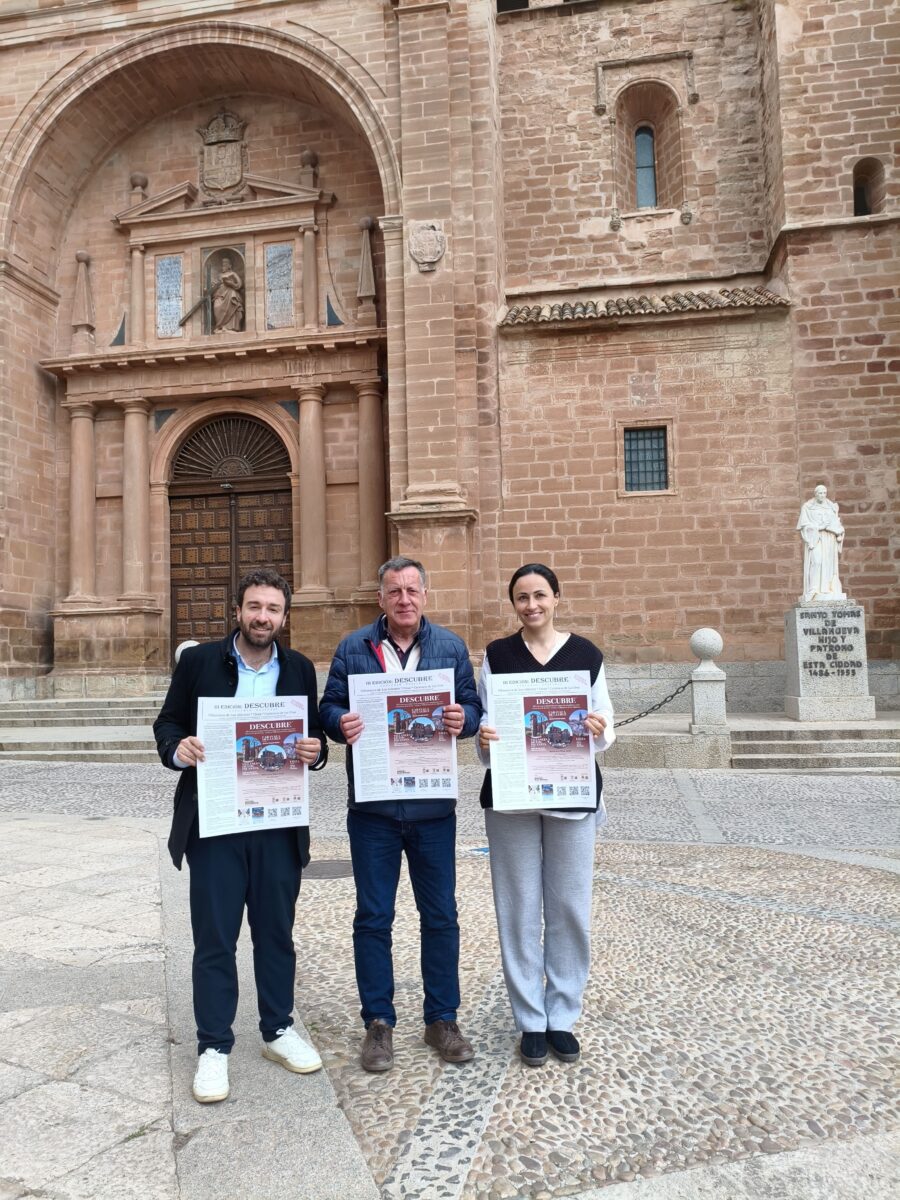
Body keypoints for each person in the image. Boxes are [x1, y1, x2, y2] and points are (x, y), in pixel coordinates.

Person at [153, 567, 327, 1103]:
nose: (262, 617)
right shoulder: (199, 662)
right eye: (254, 607)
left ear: (284, 616)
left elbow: (313, 734)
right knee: (214, 938)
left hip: (276, 823)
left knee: (276, 932)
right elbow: (167, 724)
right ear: (237, 610)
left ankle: (276, 1029)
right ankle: (213, 1046)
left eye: (272, 609)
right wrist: (177, 750)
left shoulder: (298, 668)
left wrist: (315, 751)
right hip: (215, 823)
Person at [320, 556, 482, 1072]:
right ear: (381, 599)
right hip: (373, 809)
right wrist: (337, 722)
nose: (405, 599)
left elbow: (473, 708)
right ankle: (378, 1023)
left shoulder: (450, 647)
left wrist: (464, 719)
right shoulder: (353, 647)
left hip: (433, 808)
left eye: (413, 590)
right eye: (395, 591)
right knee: (374, 917)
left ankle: (442, 1019)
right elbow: (328, 707)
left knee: (441, 916)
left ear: (425, 596)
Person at [476, 564, 615, 1067]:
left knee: (569, 907)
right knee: (516, 907)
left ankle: (563, 1014)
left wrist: (598, 728)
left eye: (539, 595)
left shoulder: (585, 655)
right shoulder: (496, 655)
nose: (531, 605)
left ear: (556, 598)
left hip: (571, 796)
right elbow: (488, 722)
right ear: (513, 604)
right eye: (521, 598)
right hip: (512, 797)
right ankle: (530, 1019)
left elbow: (605, 728)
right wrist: (484, 738)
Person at [797, 484, 846, 603]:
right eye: (820, 493)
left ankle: (827, 589)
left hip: (829, 538)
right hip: (815, 538)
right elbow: (804, 526)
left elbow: (837, 523)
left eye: (824, 493)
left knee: (828, 564)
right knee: (816, 561)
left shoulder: (831, 506)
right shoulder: (808, 507)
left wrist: (839, 531)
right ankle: (813, 589)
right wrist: (819, 527)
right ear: (815, 494)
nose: (822, 495)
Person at [211, 256, 244, 332]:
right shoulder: (219, 275)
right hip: (219, 294)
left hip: (230, 293)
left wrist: (231, 283)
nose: (223, 266)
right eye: (223, 265)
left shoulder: (233, 273)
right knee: (216, 307)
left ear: (229, 266)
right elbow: (215, 285)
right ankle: (220, 326)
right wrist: (214, 284)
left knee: (233, 304)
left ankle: (229, 327)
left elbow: (239, 284)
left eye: (225, 265)